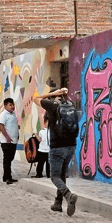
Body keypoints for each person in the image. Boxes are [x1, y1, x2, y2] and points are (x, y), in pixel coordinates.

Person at [34, 86, 79, 215]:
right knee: (62, 175)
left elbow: (34, 98)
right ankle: (58, 203)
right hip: (71, 146)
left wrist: (51, 94)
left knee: (54, 176)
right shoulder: (70, 104)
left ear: (54, 95)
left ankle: (68, 195)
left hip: (57, 147)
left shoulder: (52, 105)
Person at [0, 97, 19, 184]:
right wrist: (7, 137)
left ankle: (7, 176)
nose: (12, 106)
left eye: (13, 104)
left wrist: (17, 135)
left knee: (10, 159)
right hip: (6, 142)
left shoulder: (13, 114)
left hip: (13, 141)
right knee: (7, 159)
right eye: (10, 105)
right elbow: (1, 126)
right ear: (5, 106)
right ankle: (7, 178)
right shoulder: (4, 114)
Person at [33, 113, 51, 179]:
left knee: (40, 163)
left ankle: (39, 174)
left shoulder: (41, 131)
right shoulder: (51, 132)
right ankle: (49, 175)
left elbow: (39, 140)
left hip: (42, 150)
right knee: (48, 164)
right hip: (48, 150)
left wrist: (35, 134)